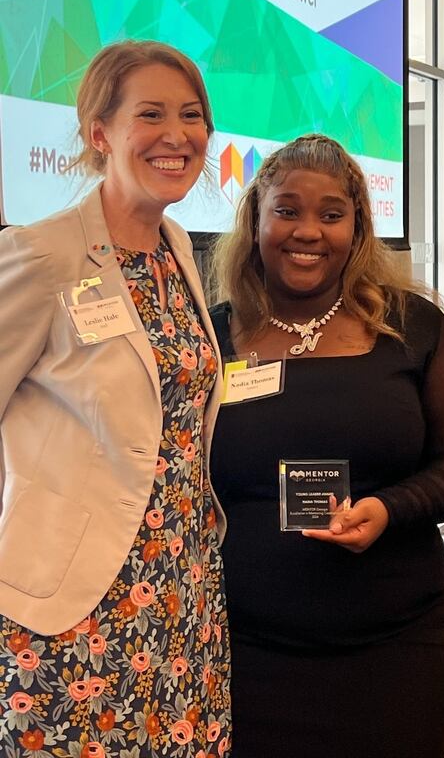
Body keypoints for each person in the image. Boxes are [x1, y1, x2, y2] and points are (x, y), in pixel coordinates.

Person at [209, 134, 444, 758]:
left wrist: (390, 509)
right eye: (286, 210)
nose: (308, 231)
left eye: (331, 214)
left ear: (358, 227)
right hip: (240, 646)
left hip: (394, 644)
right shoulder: (211, 337)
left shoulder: (411, 328)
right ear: (256, 220)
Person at [0, 41, 231, 757]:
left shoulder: (176, 246)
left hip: (182, 586)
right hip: (78, 601)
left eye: (191, 116)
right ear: (99, 133)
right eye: (151, 114)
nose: (178, 135)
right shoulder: (43, 255)